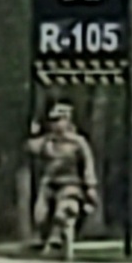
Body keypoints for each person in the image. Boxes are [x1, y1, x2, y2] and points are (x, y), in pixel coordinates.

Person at [25, 101, 99, 249]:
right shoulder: (48, 141)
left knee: (66, 209)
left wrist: (90, 185)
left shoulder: (78, 143)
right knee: (40, 215)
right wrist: (34, 132)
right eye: (53, 121)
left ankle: (57, 237)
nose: (56, 125)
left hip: (71, 183)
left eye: (59, 120)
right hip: (49, 184)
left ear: (67, 120)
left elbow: (88, 164)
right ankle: (43, 237)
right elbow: (30, 147)